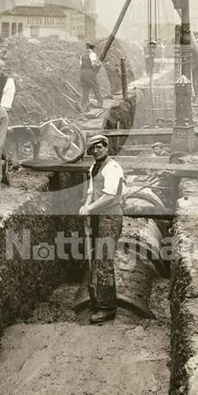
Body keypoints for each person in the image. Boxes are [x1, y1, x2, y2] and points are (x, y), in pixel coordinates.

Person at [79, 133, 125, 325]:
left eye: (100, 147)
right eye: (93, 148)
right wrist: (86, 207)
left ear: (107, 148)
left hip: (110, 216)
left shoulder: (112, 168)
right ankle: (97, 299)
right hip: (97, 216)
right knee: (95, 258)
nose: (96, 151)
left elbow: (109, 195)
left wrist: (89, 208)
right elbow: (91, 191)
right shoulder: (94, 167)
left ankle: (107, 308)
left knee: (104, 260)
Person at [79, 41, 104, 109]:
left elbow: (80, 65)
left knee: (85, 90)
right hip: (89, 73)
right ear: (92, 48)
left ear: (87, 47)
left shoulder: (82, 55)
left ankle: (85, 105)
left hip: (82, 74)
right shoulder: (92, 54)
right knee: (96, 87)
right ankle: (99, 103)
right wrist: (99, 64)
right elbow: (93, 64)